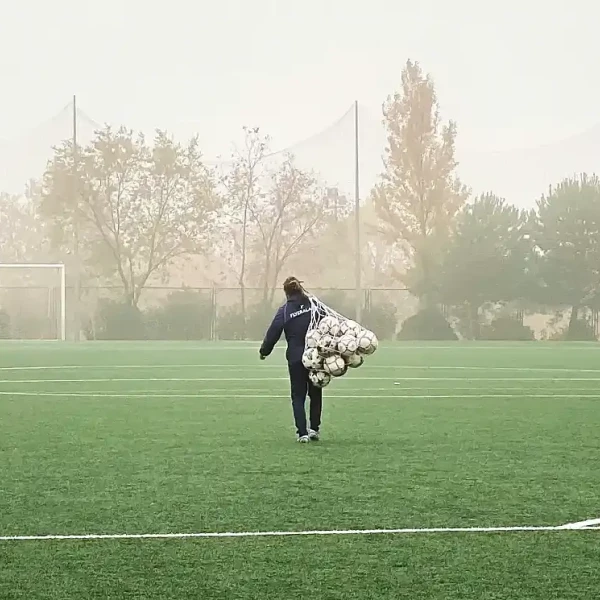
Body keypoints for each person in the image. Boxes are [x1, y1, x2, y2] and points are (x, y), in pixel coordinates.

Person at [259, 276, 323, 443]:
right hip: (315, 356)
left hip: (296, 358)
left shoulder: (285, 310)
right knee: (315, 392)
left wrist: (264, 351)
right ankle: (314, 429)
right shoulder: (314, 305)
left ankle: (302, 433)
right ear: (300, 288)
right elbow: (328, 323)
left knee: (298, 395)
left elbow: (273, 332)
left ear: (286, 292)